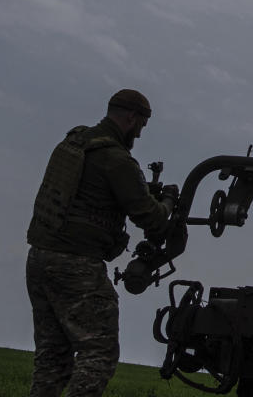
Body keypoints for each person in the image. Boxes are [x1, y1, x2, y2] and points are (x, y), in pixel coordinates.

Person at [25, 89, 177, 397]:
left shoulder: (74, 144)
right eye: (142, 125)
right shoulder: (116, 159)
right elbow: (152, 219)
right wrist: (169, 202)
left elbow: (89, 193)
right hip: (76, 264)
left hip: (40, 258)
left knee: (52, 357)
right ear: (132, 118)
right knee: (99, 353)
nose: (140, 133)